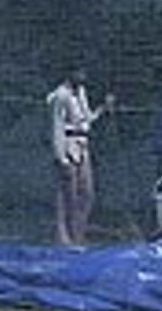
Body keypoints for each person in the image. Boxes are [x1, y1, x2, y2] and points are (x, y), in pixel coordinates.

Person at [46, 65, 114, 246]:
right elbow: (57, 127)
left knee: (86, 193)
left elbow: (86, 119)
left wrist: (102, 109)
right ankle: (63, 237)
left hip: (82, 144)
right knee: (67, 194)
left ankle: (78, 234)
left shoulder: (81, 92)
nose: (83, 77)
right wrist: (61, 157)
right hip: (68, 145)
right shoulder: (60, 96)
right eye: (79, 73)